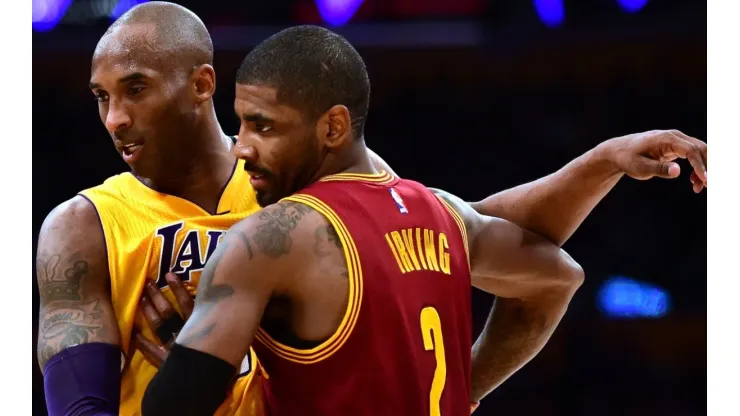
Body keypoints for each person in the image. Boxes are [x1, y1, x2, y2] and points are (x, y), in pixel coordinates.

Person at [140, 25, 707, 415]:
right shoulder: (437, 214)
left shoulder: (264, 241)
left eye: (263, 126)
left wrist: (200, 363)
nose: (241, 148)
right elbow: (555, 274)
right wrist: (605, 160)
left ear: (332, 128)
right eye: (239, 125)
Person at [35, 3, 266, 415]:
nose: (114, 119)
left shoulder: (293, 186)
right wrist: (183, 395)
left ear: (202, 84)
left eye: (135, 89)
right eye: (102, 97)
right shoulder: (80, 228)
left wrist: (211, 362)